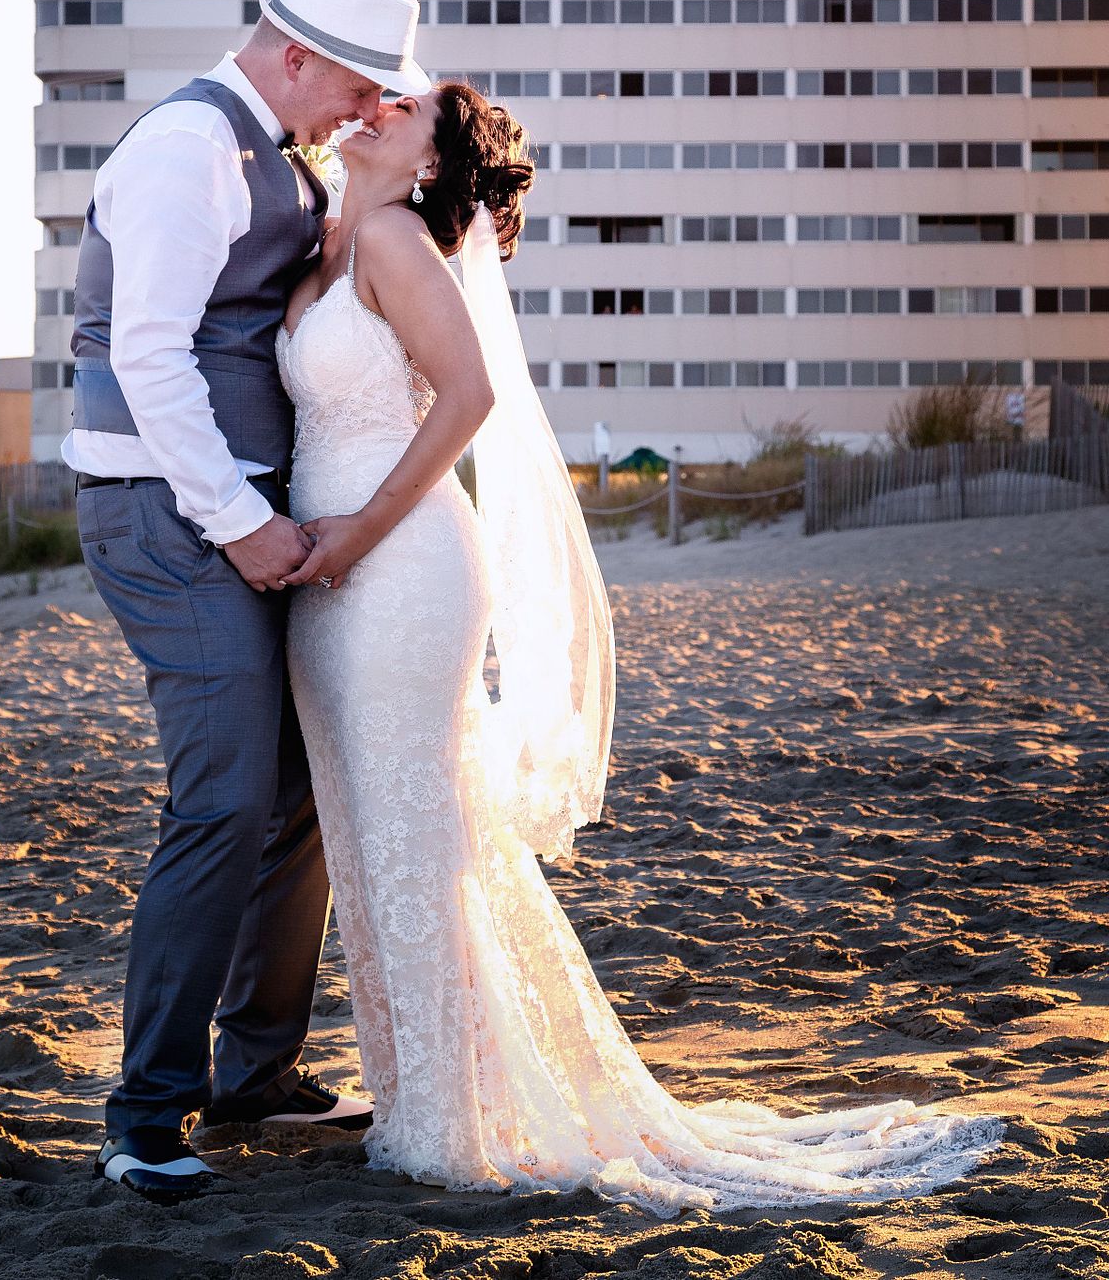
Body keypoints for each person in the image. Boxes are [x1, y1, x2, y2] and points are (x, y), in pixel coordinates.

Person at [274, 82, 1003, 1213]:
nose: (380, 103)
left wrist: (360, 535)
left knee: (419, 837)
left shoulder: (390, 237)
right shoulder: (324, 231)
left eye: (408, 105)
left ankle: (450, 1123)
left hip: (398, 567)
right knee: (371, 845)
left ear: (429, 165)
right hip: (324, 585)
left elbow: (465, 399)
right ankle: (419, 1093)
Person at [65, 0, 432, 1203]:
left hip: (237, 512)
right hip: (167, 519)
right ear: (295, 58)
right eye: (356, 85)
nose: (362, 110)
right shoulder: (187, 150)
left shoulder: (280, 150)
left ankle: (256, 1071)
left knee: (295, 795)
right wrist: (236, 521)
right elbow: (150, 357)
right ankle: (144, 1117)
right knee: (222, 803)